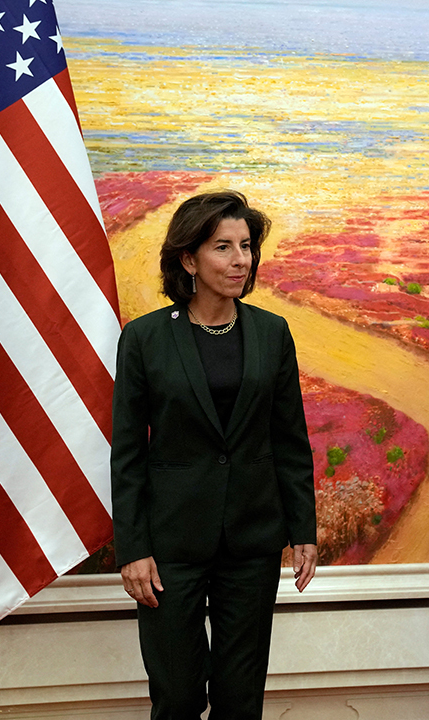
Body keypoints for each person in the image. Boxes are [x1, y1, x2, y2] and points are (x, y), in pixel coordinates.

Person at [111, 190, 317, 720]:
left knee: (239, 698)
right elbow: (129, 451)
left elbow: (290, 441)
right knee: (177, 696)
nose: (239, 260)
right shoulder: (145, 338)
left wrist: (304, 531)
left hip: (251, 540)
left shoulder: (273, 333)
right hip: (169, 545)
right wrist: (132, 547)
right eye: (223, 247)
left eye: (246, 246)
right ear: (189, 259)